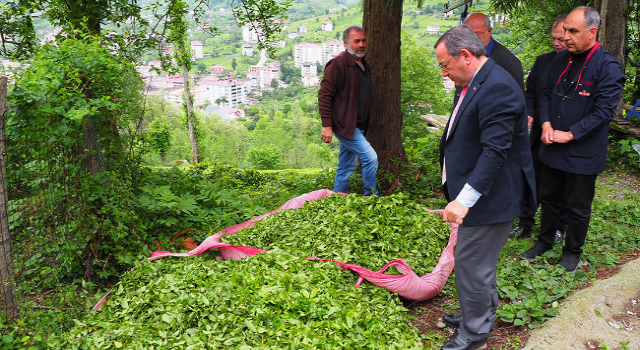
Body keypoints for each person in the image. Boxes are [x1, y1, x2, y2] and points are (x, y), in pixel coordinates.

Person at [435, 25, 535, 350]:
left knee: (471, 262)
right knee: (479, 262)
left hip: (492, 196)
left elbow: (495, 152)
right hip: (480, 191)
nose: (444, 72)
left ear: (465, 55)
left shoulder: (498, 88)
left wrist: (463, 200)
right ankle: (477, 312)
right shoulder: (475, 80)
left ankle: (474, 333)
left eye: (444, 64)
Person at [520, 7, 625, 273]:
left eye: (573, 31)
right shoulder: (559, 60)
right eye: (565, 30)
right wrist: (545, 123)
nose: (566, 36)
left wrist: (571, 133)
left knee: (578, 207)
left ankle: (571, 252)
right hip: (552, 144)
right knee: (549, 197)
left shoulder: (607, 67)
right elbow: (544, 94)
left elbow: (604, 112)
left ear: (592, 32)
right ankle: (544, 242)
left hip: (584, 151)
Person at [510, 15, 571, 241]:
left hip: (565, 136)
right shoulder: (543, 61)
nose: (556, 43)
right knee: (531, 177)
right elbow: (532, 93)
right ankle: (525, 222)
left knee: (561, 184)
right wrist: (529, 112)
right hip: (538, 135)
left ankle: (558, 226)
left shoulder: (581, 66)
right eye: (554, 39)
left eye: (561, 39)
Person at [318, 25, 378, 196]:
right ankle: (371, 198)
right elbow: (324, 95)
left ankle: (339, 199)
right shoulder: (338, 64)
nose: (361, 45)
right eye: (356, 41)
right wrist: (327, 125)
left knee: (346, 166)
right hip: (344, 125)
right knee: (370, 158)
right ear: (346, 44)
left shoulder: (363, 64)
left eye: (363, 41)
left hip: (357, 125)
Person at [464, 13, 525, 92]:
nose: (471, 38)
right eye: (467, 34)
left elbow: (518, 99)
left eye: (477, 34)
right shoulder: (463, 55)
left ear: (489, 31)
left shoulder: (509, 62)